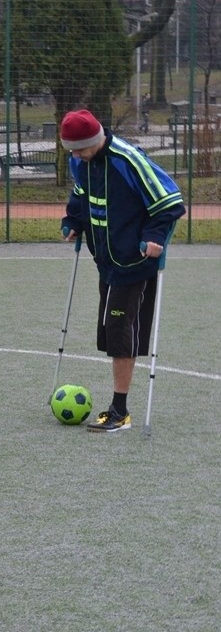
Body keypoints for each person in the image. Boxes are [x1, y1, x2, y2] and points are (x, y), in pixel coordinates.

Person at [59, 108, 185, 432]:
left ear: (95, 140)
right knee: (110, 331)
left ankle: (120, 412)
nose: (75, 156)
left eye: (79, 149)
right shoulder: (81, 161)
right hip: (106, 261)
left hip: (134, 261)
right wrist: (73, 220)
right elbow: (80, 194)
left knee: (118, 327)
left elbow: (170, 202)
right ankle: (119, 406)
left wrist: (155, 237)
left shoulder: (127, 160)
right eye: (71, 150)